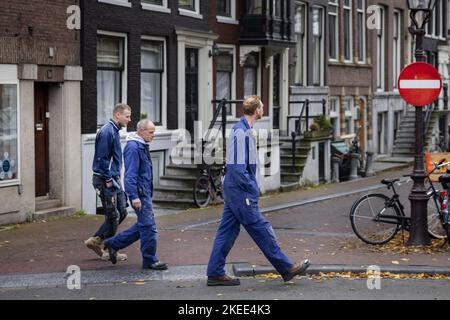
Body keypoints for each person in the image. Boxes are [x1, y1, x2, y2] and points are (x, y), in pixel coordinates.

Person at [206, 96, 310, 286]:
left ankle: (214, 272)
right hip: (240, 191)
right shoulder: (240, 132)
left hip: (234, 190)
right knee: (260, 228)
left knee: (227, 231)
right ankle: (286, 268)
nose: (264, 109)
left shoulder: (244, 130)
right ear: (257, 110)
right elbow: (237, 168)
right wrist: (251, 187)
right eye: (262, 107)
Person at [104, 119, 167, 270]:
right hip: (140, 194)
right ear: (141, 132)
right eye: (151, 132)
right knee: (149, 228)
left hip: (143, 192)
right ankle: (150, 260)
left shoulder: (140, 145)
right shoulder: (134, 147)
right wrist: (134, 196)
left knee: (142, 226)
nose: (153, 135)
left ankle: (113, 243)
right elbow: (130, 175)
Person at [84, 103, 131, 261]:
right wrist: (108, 179)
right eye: (127, 116)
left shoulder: (114, 131)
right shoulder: (107, 131)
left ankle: (96, 240)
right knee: (112, 216)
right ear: (117, 115)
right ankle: (111, 248)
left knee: (122, 211)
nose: (129, 119)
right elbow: (102, 158)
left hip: (114, 179)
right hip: (106, 180)